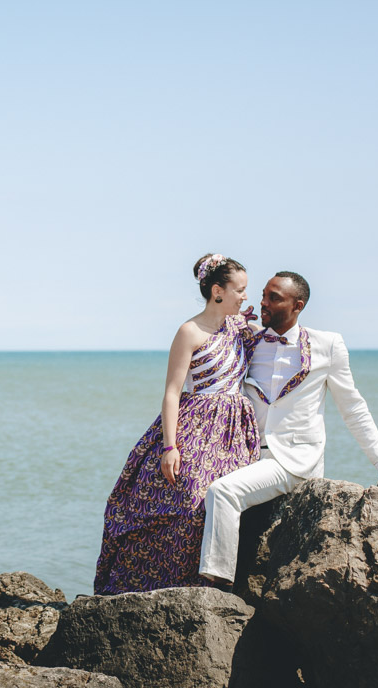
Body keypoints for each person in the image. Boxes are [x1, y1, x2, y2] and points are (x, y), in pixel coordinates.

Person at [198, 271, 378, 590]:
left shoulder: (327, 345)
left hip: (293, 460)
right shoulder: (247, 338)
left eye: (274, 298)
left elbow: (352, 406)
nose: (263, 302)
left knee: (222, 491)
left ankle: (217, 585)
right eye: (263, 294)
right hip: (244, 454)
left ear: (298, 305)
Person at [94, 253, 262, 595]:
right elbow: (172, 393)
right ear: (217, 291)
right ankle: (158, 589)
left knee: (223, 507)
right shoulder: (189, 331)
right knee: (186, 503)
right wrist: (170, 447)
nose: (246, 296)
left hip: (234, 430)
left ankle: (210, 587)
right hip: (196, 426)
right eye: (240, 290)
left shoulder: (239, 327)